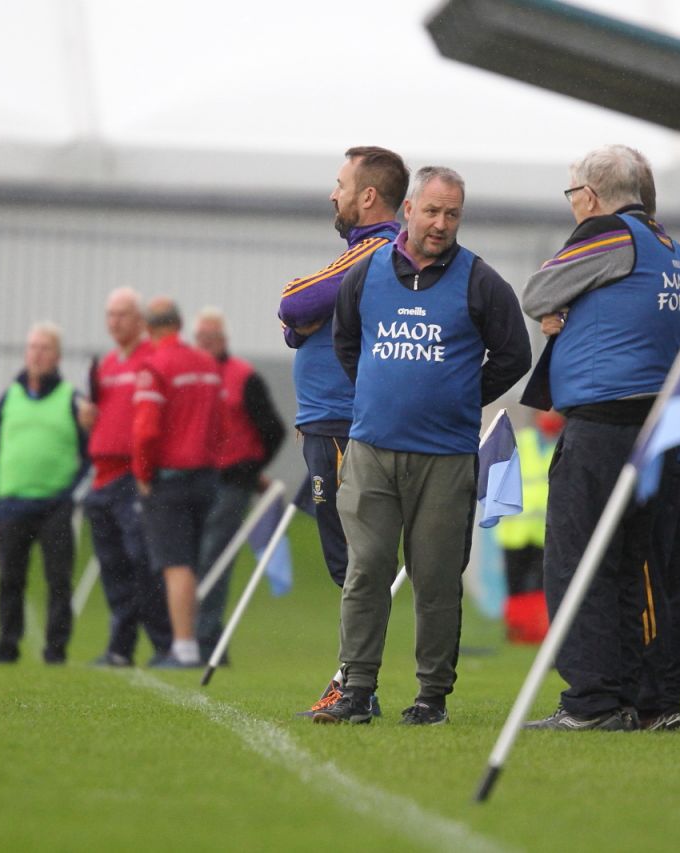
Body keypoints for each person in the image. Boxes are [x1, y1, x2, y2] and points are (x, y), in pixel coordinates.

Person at [315, 165, 530, 726]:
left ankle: (431, 696)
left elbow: (514, 357)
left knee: (435, 579)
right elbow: (346, 341)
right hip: (370, 452)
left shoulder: (481, 282)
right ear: (407, 209)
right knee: (366, 570)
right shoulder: (365, 275)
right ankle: (357, 689)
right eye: (431, 211)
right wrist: (375, 394)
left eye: (452, 214)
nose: (440, 224)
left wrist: (460, 397)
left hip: (445, 458)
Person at [520, 144, 680, 731]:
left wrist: (563, 310)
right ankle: (655, 699)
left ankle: (594, 699)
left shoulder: (607, 235)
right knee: (655, 567)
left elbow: (536, 294)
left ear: (594, 197)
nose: (575, 208)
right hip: (679, 429)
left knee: (583, 562)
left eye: (574, 196)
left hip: (610, 427)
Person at [278, 145, 408, 716]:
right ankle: (358, 682)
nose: (334, 194)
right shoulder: (365, 255)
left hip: (340, 424)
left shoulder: (373, 249)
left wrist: (302, 313)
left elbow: (294, 301)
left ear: (368, 196)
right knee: (354, 560)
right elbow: (300, 321)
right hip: (332, 423)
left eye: (340, 183)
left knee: (355, 561)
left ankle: (357, 687)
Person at [0, 322, 89, 664]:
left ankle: (56, 649)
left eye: (44, 348)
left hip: (56, 504)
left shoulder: (73, 400)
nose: (37, 354)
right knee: (10, 579)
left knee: (58, 580)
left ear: (57, 355)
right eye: (32, 347)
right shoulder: (8, 398)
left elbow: (90, 455)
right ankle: (7, 646)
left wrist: (73, 495)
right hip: (11, 504)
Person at [82, 288, 172, 667]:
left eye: (122, 314)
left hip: (132, 477)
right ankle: (121, 645)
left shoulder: (150, 359)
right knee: (112, 565)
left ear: (139, 320)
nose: (115, 321)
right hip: (101, 479)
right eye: (110, 314)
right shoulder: (104, 365)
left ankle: (165, 642)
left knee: (142, 561)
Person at [132, 297, 222, 668]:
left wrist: (142, 473)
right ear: (180, 323)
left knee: (176, 564)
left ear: (148, 328)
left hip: (170, 479)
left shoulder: (154, 366)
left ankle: (184, 647)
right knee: (194, 563)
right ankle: (196, 638)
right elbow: (220, 423)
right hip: (206, 477)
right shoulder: (206, 364)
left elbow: (145, 430)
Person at [192, 307, 285, 661]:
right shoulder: (190, 378)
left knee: (214, 560)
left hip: (231, 481)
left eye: (211, 338)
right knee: (191, 560)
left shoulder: (242, 377)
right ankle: (200, 639)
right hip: (194, 479)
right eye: (200, 338)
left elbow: (272, 430)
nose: (205, 344)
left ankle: (205, 641)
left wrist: (250, 470)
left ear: (223, 340)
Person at [494, 410, 563, 644]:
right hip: (516, 530)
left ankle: (539, 630)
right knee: (516, 585)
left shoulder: (564, 444)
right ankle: (517, 631)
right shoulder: (520, 443)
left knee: (543, 586)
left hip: (547, 530)